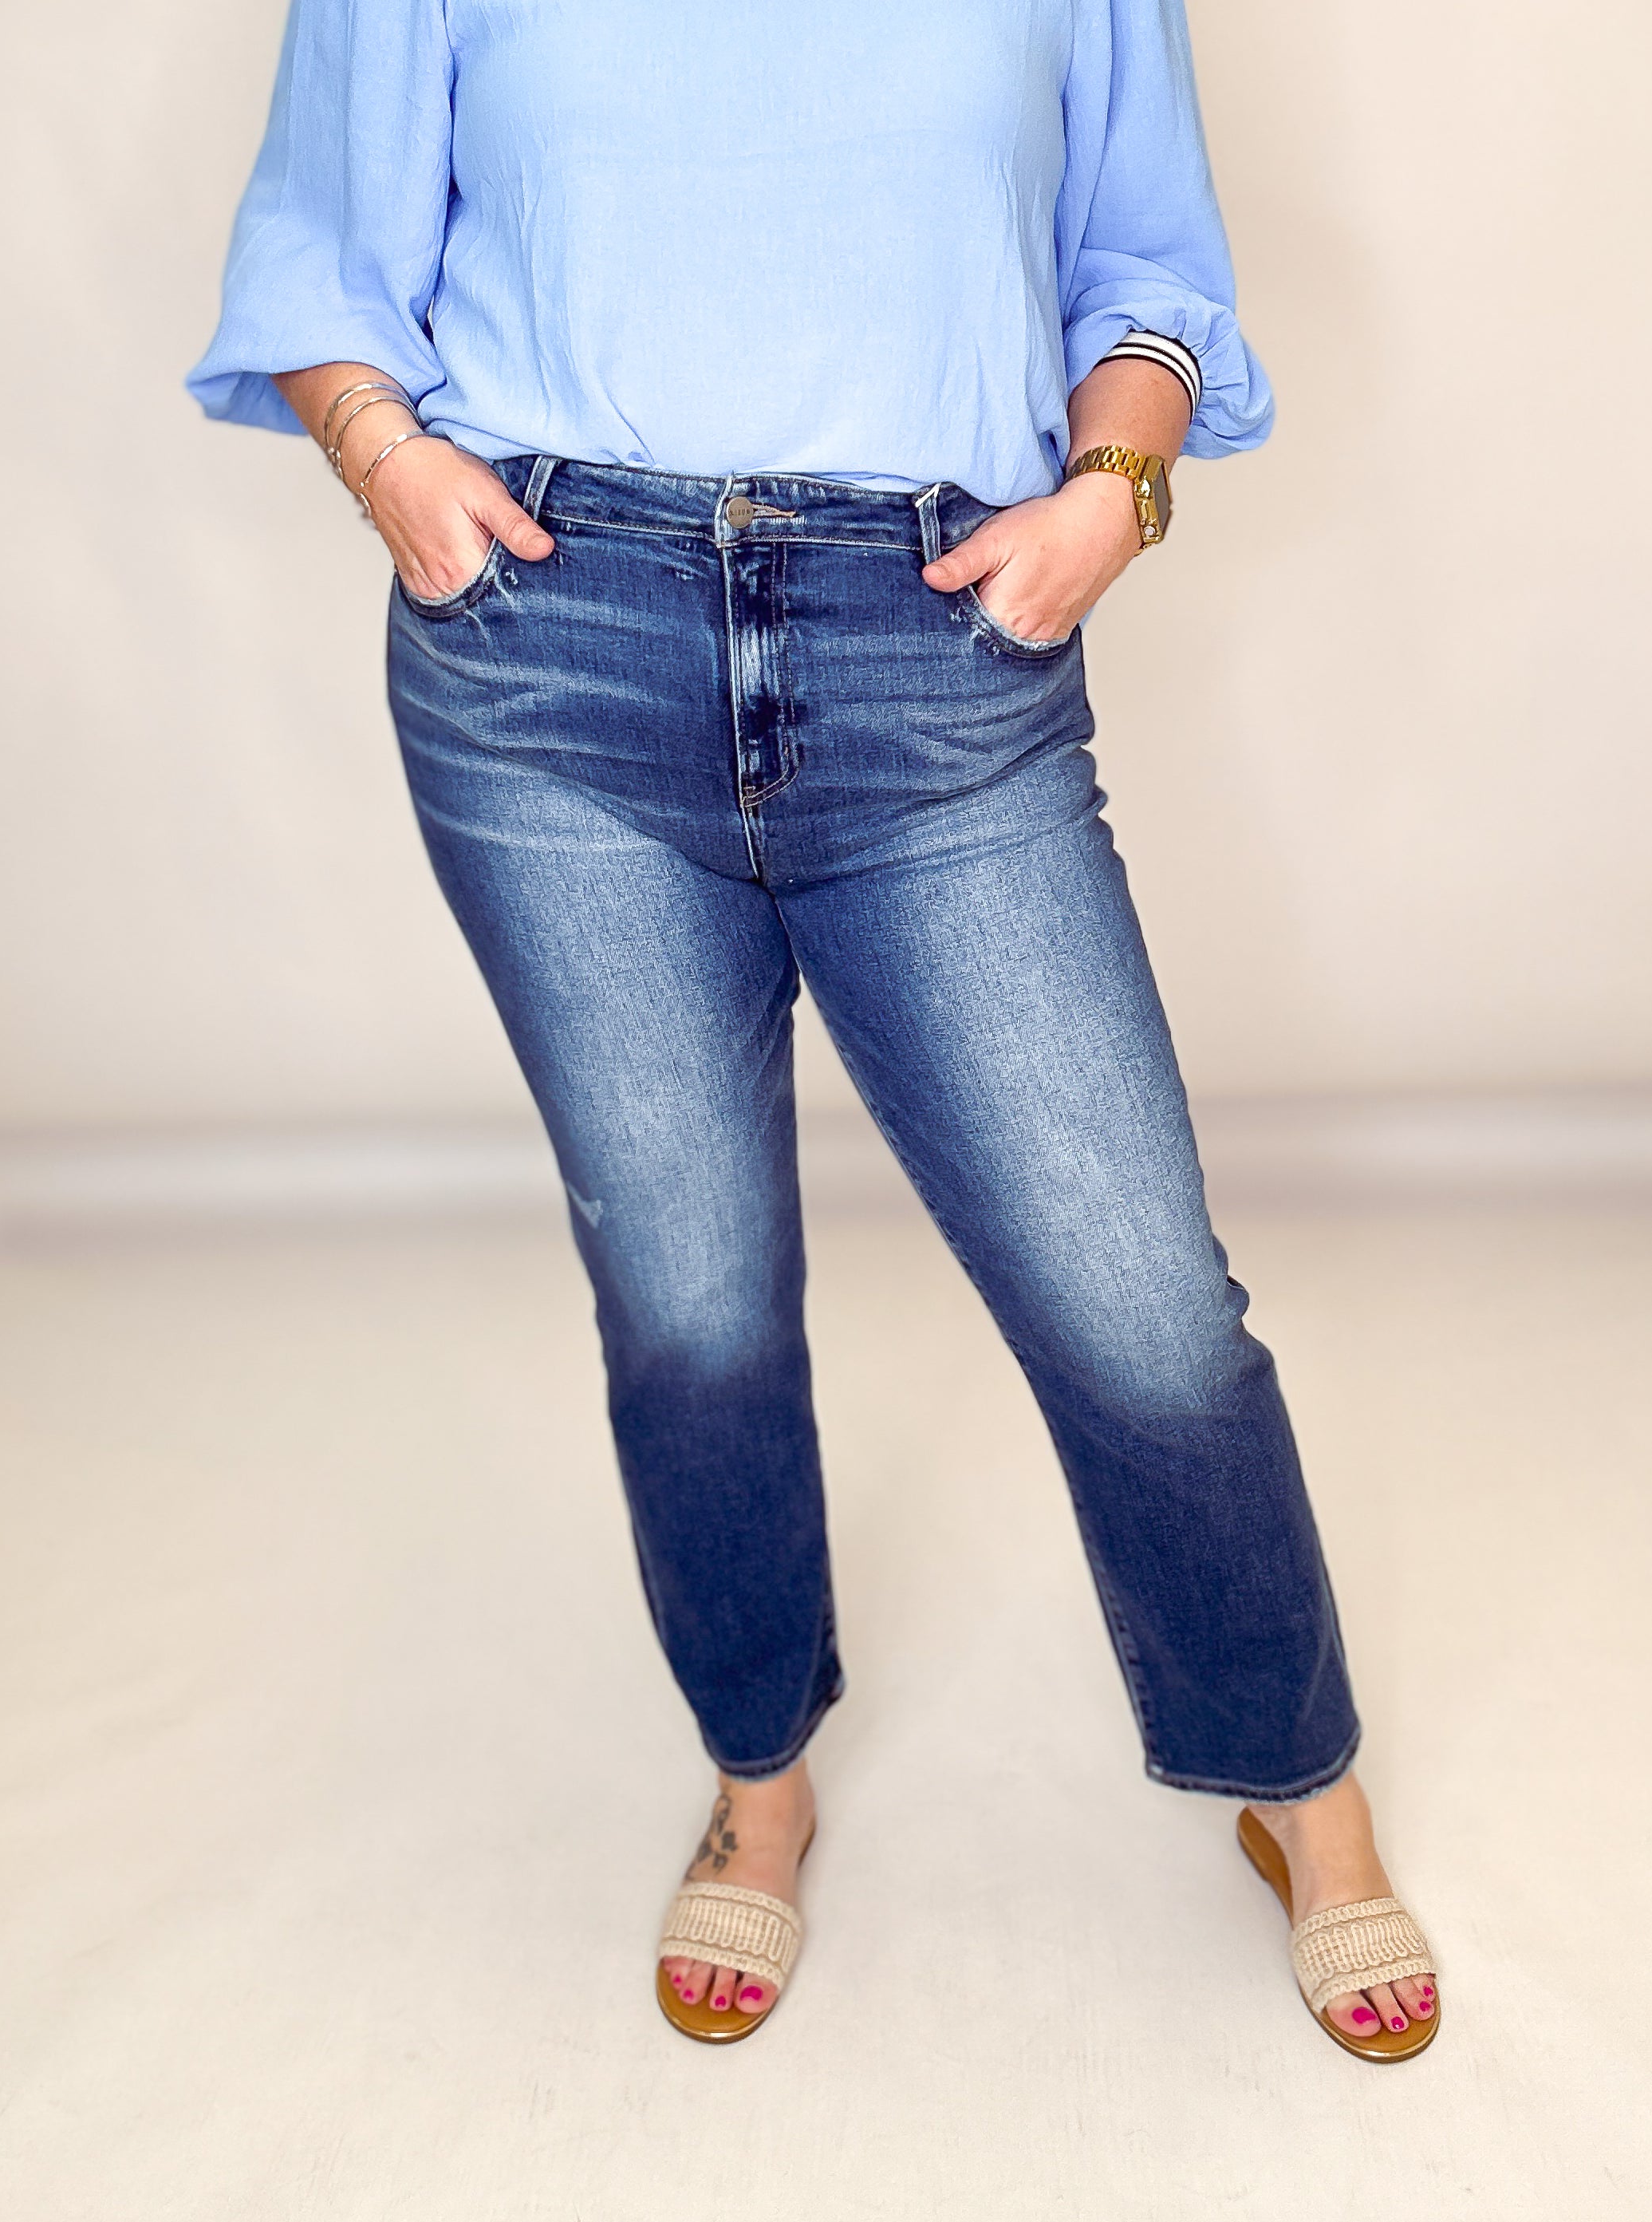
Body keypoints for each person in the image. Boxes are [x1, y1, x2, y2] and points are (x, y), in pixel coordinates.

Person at [189, 0, 1439, 2058]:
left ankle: (1304, 1788)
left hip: (933, 646)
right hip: (553, 650)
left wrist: (1114, 490)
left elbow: (1146, 264)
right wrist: (388, 462)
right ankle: (756, 1781)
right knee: (689, 1291)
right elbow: (325, 254)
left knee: (1139, 1299)